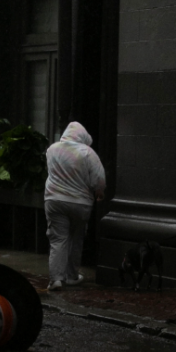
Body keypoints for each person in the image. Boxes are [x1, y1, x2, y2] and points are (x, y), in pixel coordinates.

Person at [44, 122, 106, 291]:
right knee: (76, 238)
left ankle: (56, 279)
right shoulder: (87, 152)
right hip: (80, 203)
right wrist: (99, 192)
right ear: (82, 137)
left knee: (58, 239)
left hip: (54, 200)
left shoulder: (52, 149)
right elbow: (98, 178)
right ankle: (71, 276)